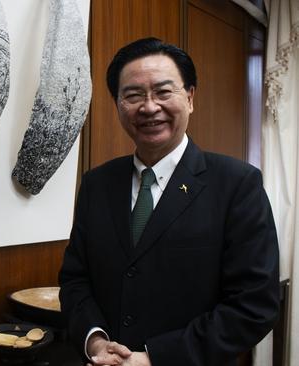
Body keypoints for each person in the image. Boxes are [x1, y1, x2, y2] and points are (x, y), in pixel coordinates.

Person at [58, 37, 280, 366]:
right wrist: (94, 341)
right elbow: (76, 279)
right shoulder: (97, 184)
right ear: (117, 104)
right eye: (133, 95)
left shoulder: (237, 184)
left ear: (189, 98)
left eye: (163, 92)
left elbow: (254, 304)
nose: (149, 107)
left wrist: (154, 358)